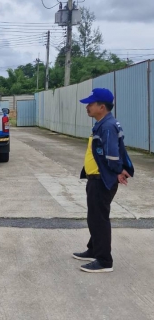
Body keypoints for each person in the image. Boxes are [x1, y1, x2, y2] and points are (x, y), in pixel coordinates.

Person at [73, 88, 134, 273]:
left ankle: (104, 260)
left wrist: (117, 171)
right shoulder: (103, 123)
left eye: (91, 104)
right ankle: (94, 249)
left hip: (102, 180)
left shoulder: (107, 126)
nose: (87, 107)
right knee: (94, 217)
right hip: (96, 178)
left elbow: (113, 155)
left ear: (102, 106)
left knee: (98, 219)